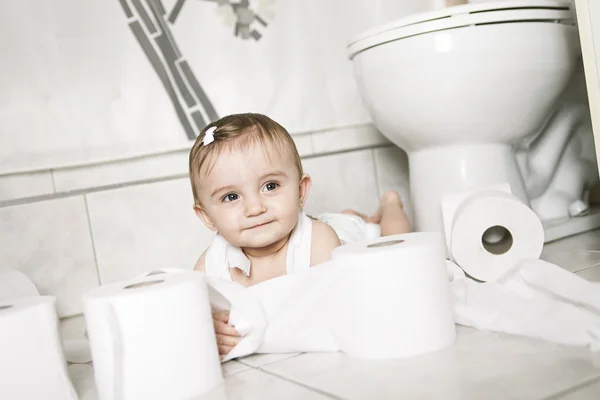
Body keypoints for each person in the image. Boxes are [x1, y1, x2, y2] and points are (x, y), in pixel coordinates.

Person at [189, 113, 411, 357]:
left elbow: (331, 312)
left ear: (300, 190)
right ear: (206, 216)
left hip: (345, 236)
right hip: (323, 224)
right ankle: (349, 214)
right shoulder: (209, 267)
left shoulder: (319, 241)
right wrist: (209, 330)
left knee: (393, 243)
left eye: (270, 186)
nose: (255, 208)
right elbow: (188, 323)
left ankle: (390, 205)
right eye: (231, 197)